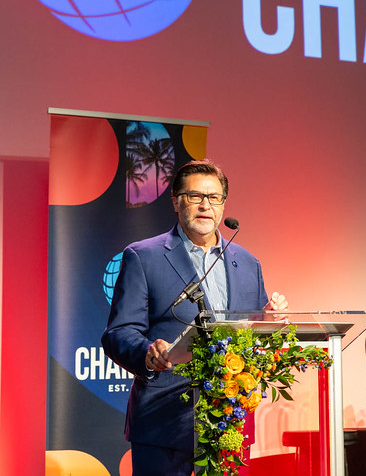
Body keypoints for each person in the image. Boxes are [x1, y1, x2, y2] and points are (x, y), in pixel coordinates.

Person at [102, 159, 287, 476]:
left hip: (229, 421)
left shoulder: (248, 263)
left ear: (223, 204)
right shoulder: (143, 257)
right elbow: (119, 332)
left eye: (214, 197)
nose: (205, 205)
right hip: (164, 423)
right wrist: (148, 353)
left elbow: (252, 338)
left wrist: (268, 321)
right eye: (194, 196)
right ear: (176, 202)